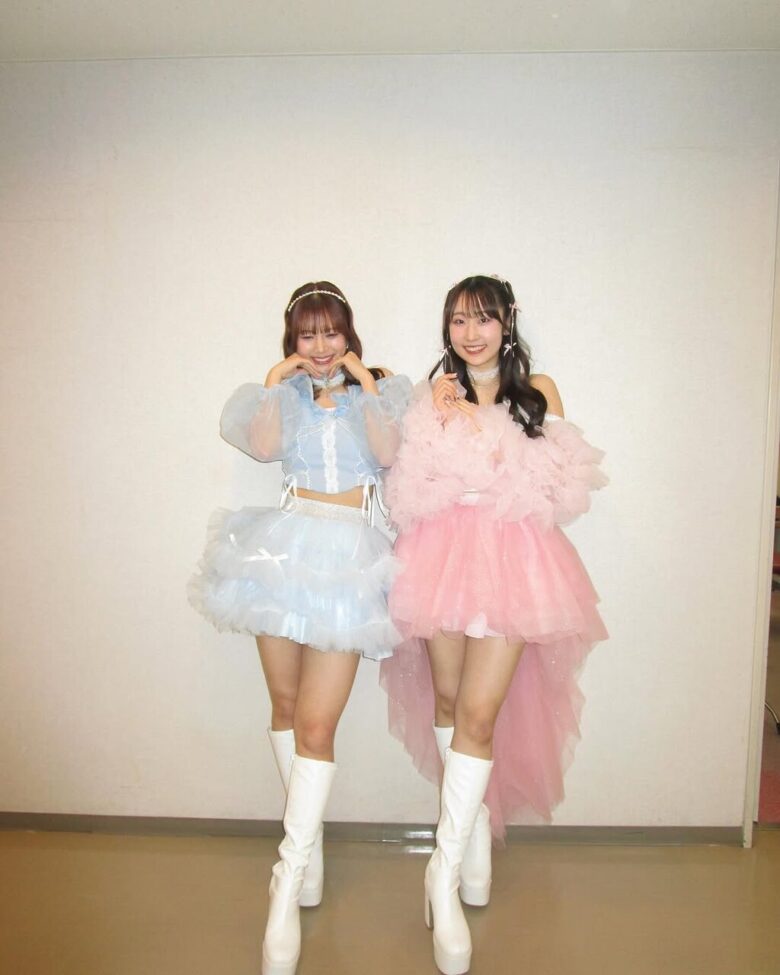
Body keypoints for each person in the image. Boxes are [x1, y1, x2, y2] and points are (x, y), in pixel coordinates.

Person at [379, 274, 607, 975]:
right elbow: (403, 487)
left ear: (507, 323)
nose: (470, 333)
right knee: (450, 702)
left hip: (513, 561)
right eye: (458, 320)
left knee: (480, 711)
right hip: (441, 555)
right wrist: (435, 410)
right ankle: (471, 826)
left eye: (483, 318)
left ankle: (441, 874)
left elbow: (561, 490)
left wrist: (475, 422)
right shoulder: (433, 395)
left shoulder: (539, 391)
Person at [188, 282, 411, 975]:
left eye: (331, 332)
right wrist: (275, 378)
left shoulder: (383, 390)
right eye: (306, 335)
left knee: (317, 723)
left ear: (349, 334)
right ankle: (308, 854)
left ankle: (283, 889)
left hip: (349, 556)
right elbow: (261, 448)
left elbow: (389, 452)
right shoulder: (282, 395)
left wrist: (365, 383)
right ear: (292, 341)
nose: (320, 346)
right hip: (282, 551)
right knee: (284, 707)